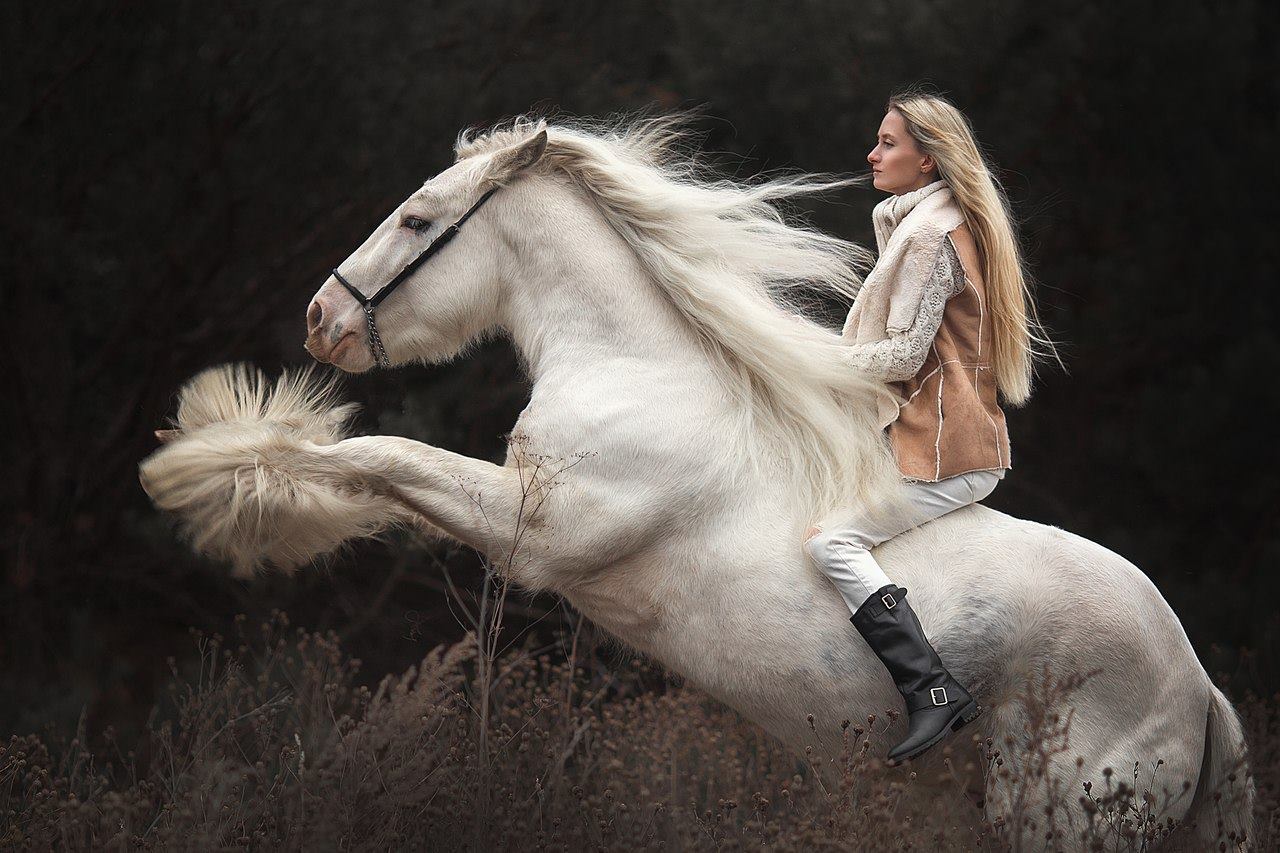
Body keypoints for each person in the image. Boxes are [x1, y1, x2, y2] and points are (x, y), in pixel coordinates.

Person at [804, 90, 1058, 763]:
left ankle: (933, 692)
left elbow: (901, 357)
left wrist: (801, 359)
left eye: (887, 142)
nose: (872, 153)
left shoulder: (927, 236)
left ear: (927, 161)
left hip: (949, 450)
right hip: (939, 436)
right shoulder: (934, 223)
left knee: (832, 543)